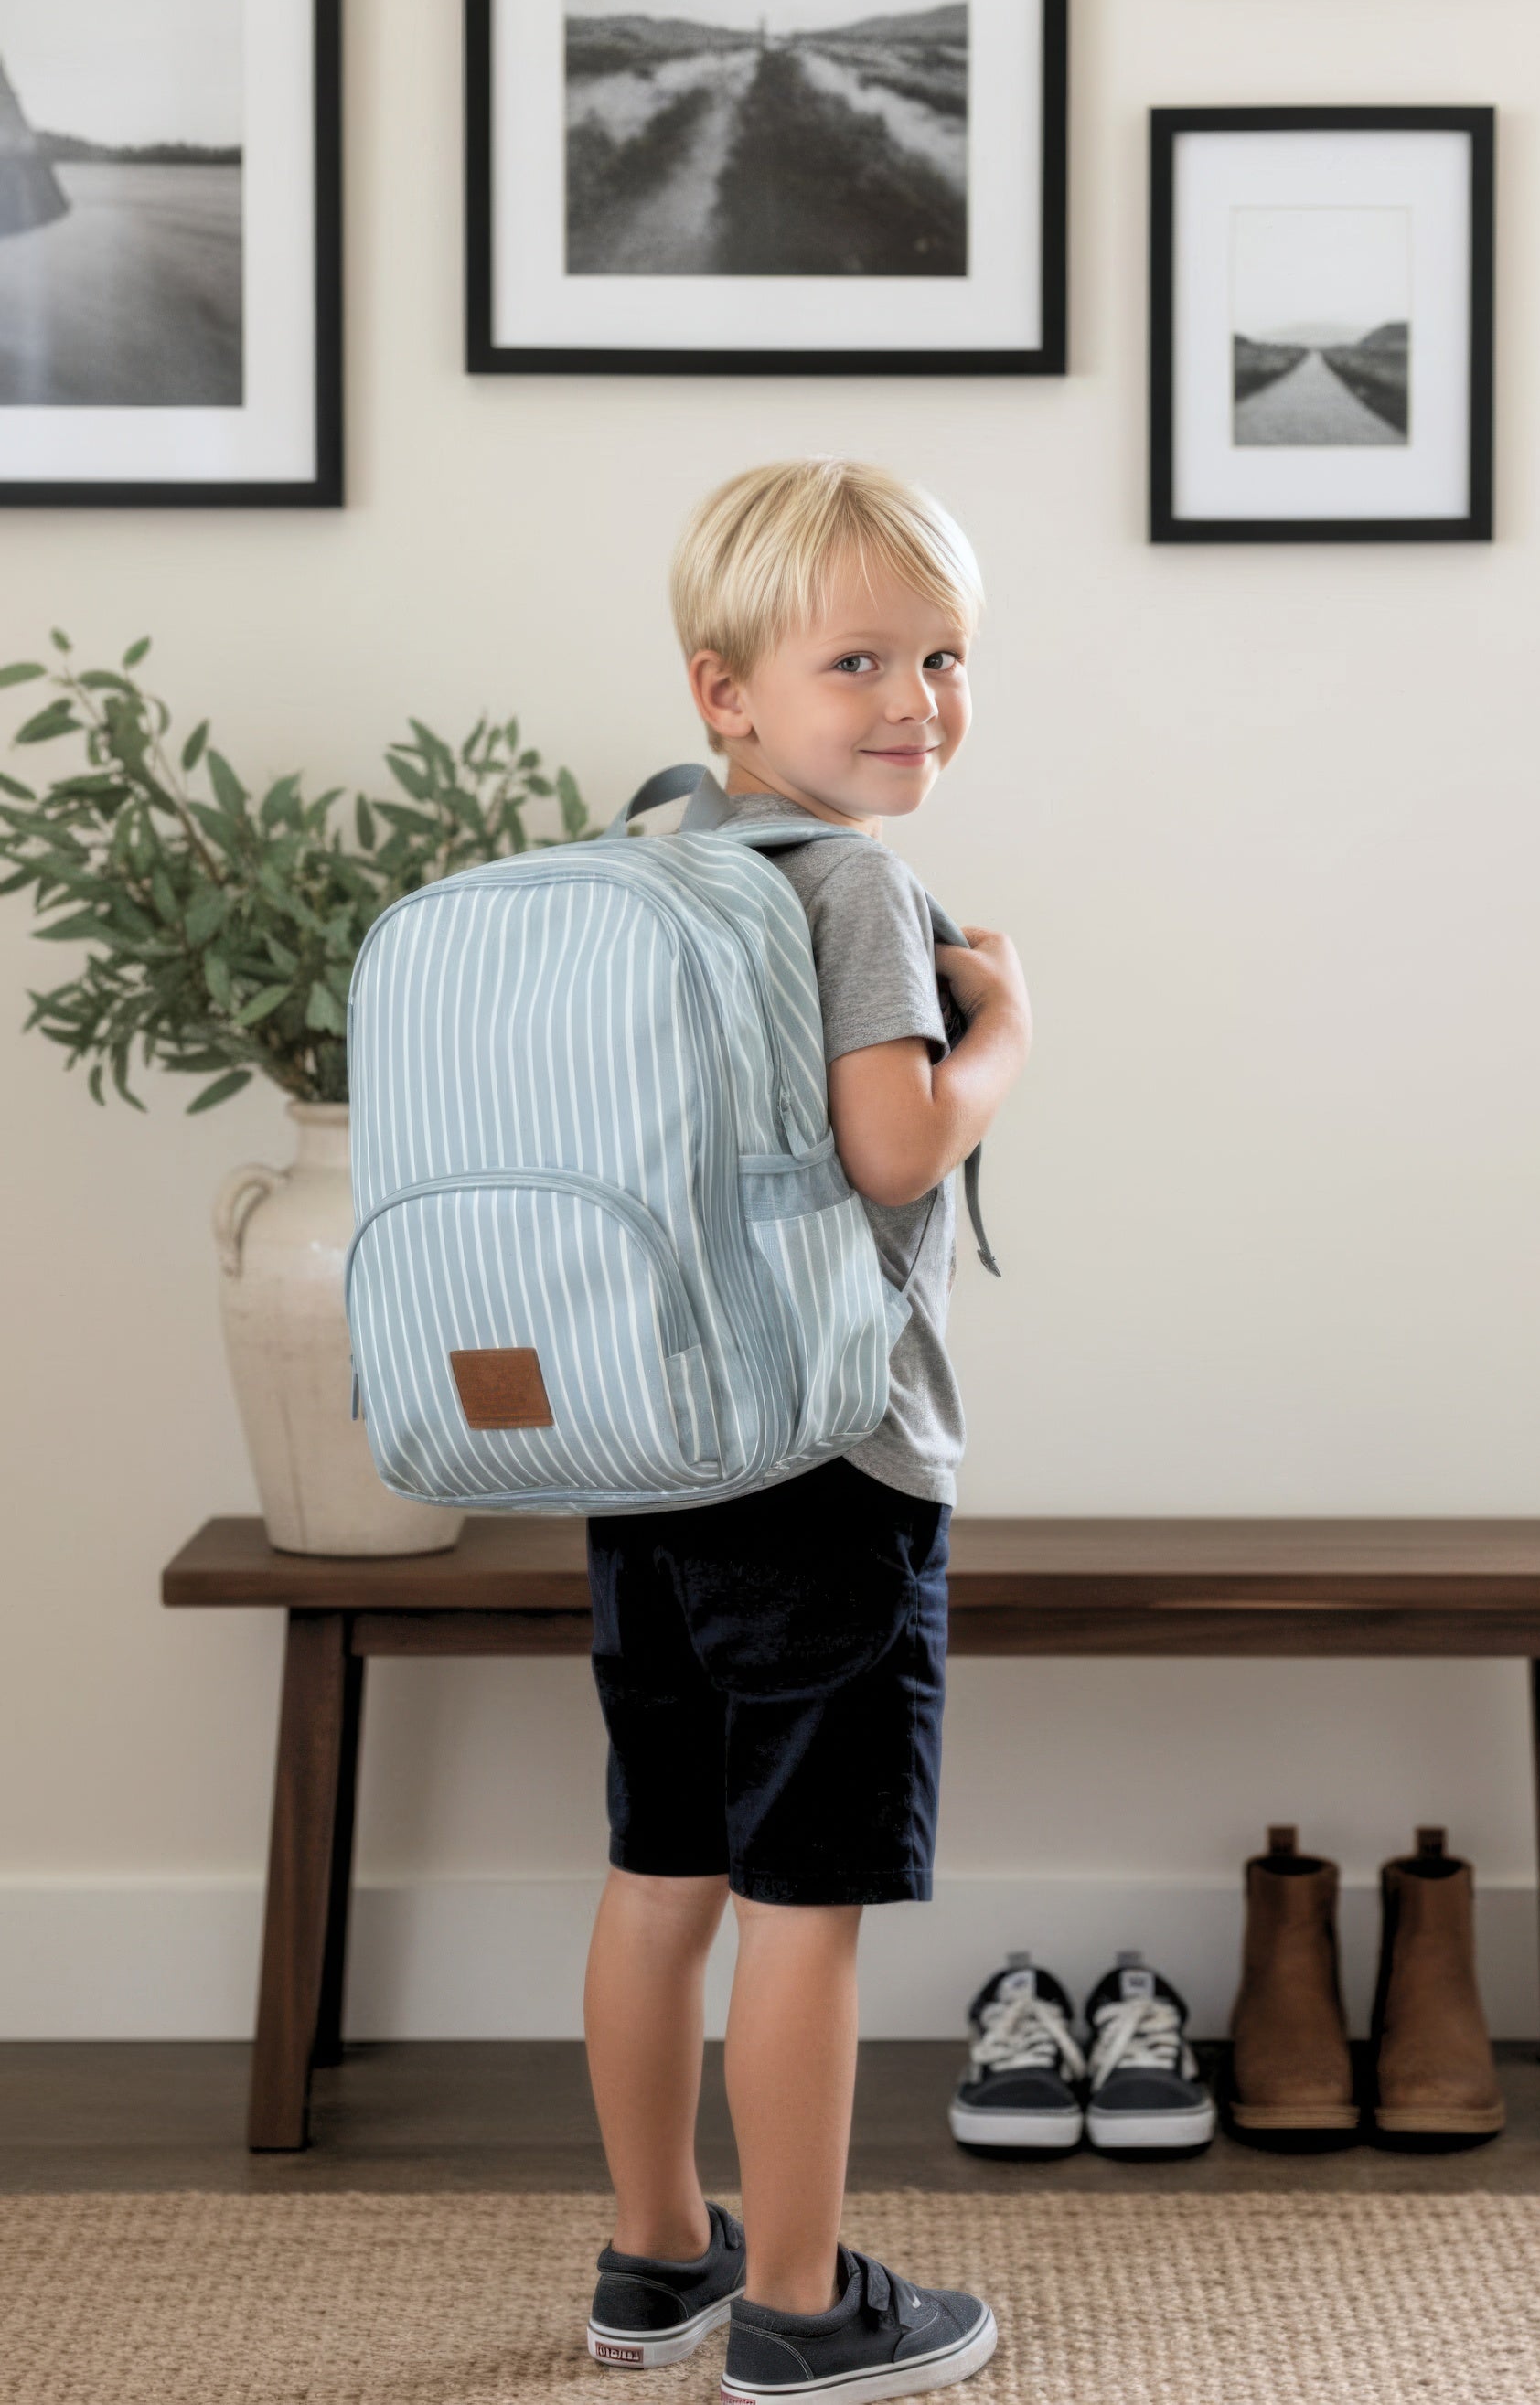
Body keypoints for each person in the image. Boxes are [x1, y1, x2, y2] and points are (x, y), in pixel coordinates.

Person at [579, 458, 1031, 2400]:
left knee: (661, 1873)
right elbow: (895, 1142)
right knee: (806, 1904)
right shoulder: (851, 883)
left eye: (942, 656)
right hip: (826, 1469)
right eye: (859, 659)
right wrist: (1007, 1029)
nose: (915, 698)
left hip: (645, 1453)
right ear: (726, 689)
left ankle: (654, 2260)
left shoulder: (640, 865)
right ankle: (799, 2306)